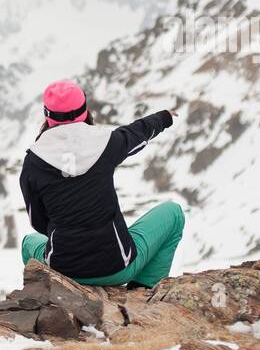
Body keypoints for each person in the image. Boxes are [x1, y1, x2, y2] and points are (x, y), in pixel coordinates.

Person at [18, 80, 185, 288]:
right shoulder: (106, 143)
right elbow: (137, 133)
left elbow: (38, 222)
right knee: (173, 213)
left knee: (28, 243)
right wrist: (164, 118)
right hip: (117, 268)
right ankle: (143, 291)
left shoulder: (33, 161)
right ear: (85, 110)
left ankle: (47, 296)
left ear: (47, 116)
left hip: (61, 270)